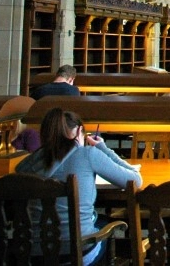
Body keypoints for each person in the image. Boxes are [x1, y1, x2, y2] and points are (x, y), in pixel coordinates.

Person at [16, 108, 142, 265]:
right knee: (104, 224)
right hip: (75, 252)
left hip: (33, 253)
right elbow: (135, 180)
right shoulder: (88, 154)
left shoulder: (28, 164)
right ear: (79, 131)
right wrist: (102, 148)